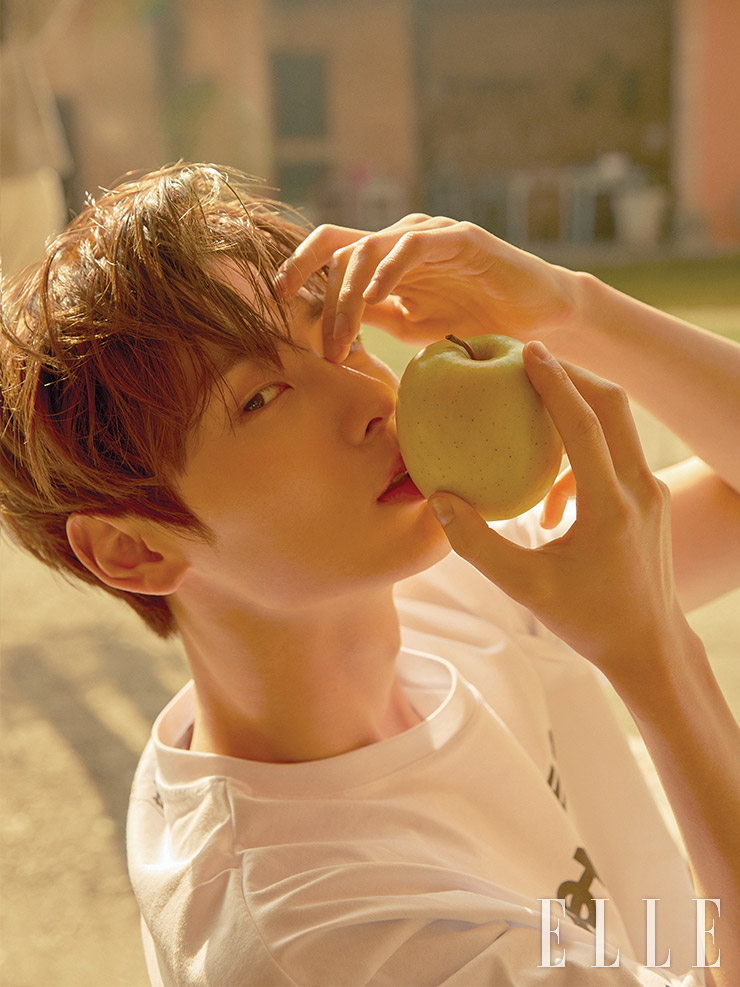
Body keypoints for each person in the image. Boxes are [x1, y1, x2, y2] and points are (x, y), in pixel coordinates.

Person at [1, 162, 738, 986]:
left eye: (338, 337)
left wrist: (571, 309)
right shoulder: (334, 935)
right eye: (261, 397)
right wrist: (656, 659)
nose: (371, 398)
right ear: (131, 549)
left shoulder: (460, 588)